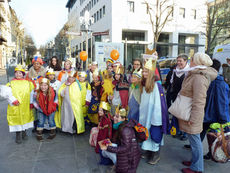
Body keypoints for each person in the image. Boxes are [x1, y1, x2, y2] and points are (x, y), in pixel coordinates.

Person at [178, 52, 217, 173]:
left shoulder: (199, 77)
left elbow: (199, 101)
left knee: (195, 142)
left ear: (199, 62)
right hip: (190, 111)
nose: (191, 61)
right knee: (193, 140)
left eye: (193, 59)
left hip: (193, 114)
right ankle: (195, 161)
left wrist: (194, 118)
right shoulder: (195, 73)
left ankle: (197, 168)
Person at [139, 58, 169, 165]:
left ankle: (155, 154)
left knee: (154, 133)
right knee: (146, 132)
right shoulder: (143, 83)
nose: (144, 73)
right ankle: (148, 150)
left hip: (153, 115)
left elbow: (158, 104)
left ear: (151, 73)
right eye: (143, 71)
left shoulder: (156, 85)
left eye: (146, 71)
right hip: (145, 114)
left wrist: (156, 119)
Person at [202, 59, 230, 160]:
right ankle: (210, 153)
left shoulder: (218, 83)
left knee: (212, 137)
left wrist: (223, 120)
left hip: (213, 116)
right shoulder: (216, 81)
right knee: (208, 135)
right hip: (210, 114)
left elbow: (222, 102)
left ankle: (212, 154)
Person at [101, 108, 141, 173]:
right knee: (105, 149)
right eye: (114, 116)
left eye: (117, 117)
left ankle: (117, 166)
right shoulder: (122, 126)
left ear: (123, 118)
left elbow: (125, 148)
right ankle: (116, 165)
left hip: (129, 161)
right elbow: (121, 143)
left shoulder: (125, 130)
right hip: (129, 154)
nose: (114, 118)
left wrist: (108, 148)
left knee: (104, 151)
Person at [6, 65, 34, 144]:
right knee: (17, 119)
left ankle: (24, 131)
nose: (18, 74)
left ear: (23, 74)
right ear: (14, 74)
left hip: (25, 105)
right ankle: (18, 134)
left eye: (20, 73)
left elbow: (31, 93)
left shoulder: (28, 83)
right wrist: (13, 100)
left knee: (25, 118)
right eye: (17, 73)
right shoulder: (10, 84)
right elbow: (7, 94)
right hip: (15, 106)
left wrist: (31, 102)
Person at [166, 54, 190, 140]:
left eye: (180, 61)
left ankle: (185, 133)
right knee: (176, 114)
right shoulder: (175, 70)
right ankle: (176, 131)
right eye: (178, 61)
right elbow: (172, 81)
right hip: (176, 95)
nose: (178, 63)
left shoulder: (189, 71)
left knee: (183, 115)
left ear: (185, 61)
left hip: (185, 97)